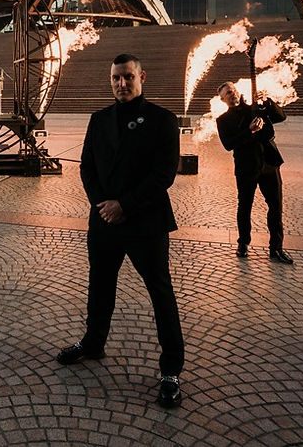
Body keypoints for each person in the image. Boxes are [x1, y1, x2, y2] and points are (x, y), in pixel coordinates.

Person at [57, 53, 185, 409]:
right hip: (104, 221)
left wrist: (123, 205)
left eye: (128, 77)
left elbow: (163, 175)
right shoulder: (99, 120)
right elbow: (86, 168)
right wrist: (102, 205)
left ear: (142, 77)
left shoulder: (163, 120)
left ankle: (171, 369)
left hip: (145, 222)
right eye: (116, 78)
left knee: (160, 292)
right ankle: (93, 343)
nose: (121, 84)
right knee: (100, 284)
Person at [216, 82, 294, 264]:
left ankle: (277, 249)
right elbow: (228, 144)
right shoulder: (223, 120)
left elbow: (281, 116)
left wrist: (268, 101)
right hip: (246, 167)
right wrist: (249, 131)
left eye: (233, 90)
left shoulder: (255, 107)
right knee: (245, 206)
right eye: (228, 93)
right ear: (223, 99)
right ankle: (243, 243)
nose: (232, 94)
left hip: (269, 163)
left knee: (275, 207)